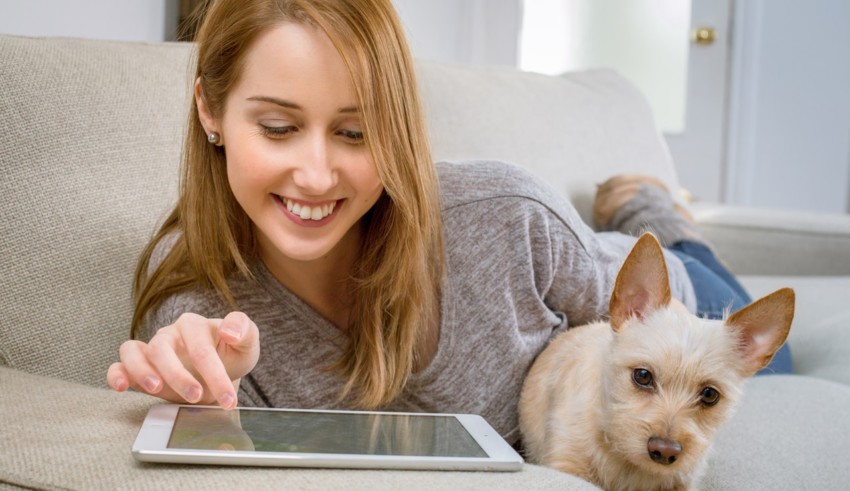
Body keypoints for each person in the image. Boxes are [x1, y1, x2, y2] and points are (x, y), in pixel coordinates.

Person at [106, 0, 790, 445]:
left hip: (668, 292)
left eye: (355, 132)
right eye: (279, 127)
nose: (315, 174)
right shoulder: (194, 322)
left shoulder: (506, 216)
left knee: (752, 327)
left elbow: (652, 309)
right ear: (210, 111)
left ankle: (655, 211)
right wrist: (204, 413)